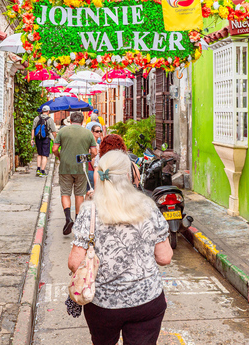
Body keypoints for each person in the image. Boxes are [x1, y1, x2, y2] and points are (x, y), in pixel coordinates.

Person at [68, 151, 172, 345]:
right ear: (129, 175)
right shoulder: (149, 208)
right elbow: (165, 257)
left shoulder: (89, 212)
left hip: (103, 305)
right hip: (146, 301)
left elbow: (74, 263)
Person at [53, 111, 98, 235]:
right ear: (83, 121)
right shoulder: (88, 133)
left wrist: (60, 157)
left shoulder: (62, 131)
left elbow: (54, 149)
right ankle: (78, 221)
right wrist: (84, 158)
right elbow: (94, 152)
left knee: (65, 193)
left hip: (65, 167)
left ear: (70, 121)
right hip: (81, 168)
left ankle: (68, 218)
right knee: (79, 194)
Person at [32, 106, 57, 177]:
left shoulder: (37, 118)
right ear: (48, 111)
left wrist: (32, 139)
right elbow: (53, 131)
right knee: (45, 155)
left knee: (39, 154)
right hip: (46, 138)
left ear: (42, 110)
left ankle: (38, 169)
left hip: (37, 138)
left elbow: (33, 129)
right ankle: (42, 171)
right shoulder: (50, 120)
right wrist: (56, 139)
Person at [86, 124, 103, 189]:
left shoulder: (96, 143)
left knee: (90, 191)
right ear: (92, 132)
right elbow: (92, 158)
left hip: (92, 169)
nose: (99, 133)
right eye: (97, 131)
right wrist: (95, 169)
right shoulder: (92, 143)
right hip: (91, 169)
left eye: (100, 131)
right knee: (93, 190)